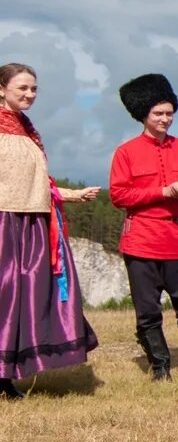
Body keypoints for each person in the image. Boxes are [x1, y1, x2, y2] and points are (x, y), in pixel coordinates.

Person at [109, 73, 178, 382]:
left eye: (169, 113)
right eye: (158, 113)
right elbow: (119, 195)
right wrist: (162, 192)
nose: (165, 119)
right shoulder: (126, 152)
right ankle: (160, 367)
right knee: (147, 309)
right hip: (141, 240)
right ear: (143, 115)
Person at [0, 63, 99, 399]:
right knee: (4, 293)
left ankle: (6, 375)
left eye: (34, 89)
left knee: (22, 298)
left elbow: (37, 181)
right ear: (1, 89)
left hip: (32, 221)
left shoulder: (27, 129)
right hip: (3, 221)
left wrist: (70, 195)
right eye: (22, 89)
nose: (30, 95)